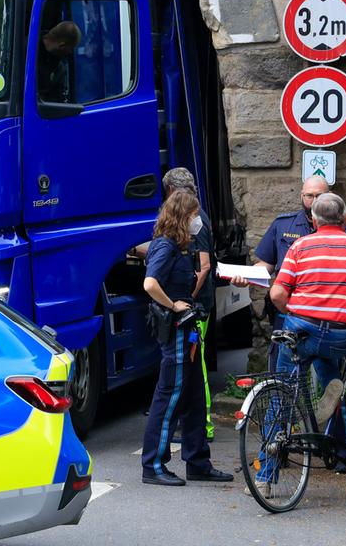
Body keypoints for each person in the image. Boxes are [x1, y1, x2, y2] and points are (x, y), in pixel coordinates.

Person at [265, 192, 346, 483]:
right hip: (342, 335)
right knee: (330, 361)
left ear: (315, 220)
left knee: (281, 391)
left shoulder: (301, 245)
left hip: (302, 328)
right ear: (345, 219)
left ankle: (265, 476)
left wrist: (292, 311)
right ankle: (330, 403)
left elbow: (278, 294)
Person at [139, 189, 233, 487]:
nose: (197, 221)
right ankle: (153, 465)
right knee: (169, 397)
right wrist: (174, 304)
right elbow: (150, 283)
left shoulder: (180, 246)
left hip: (187, 329)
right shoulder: (165, 246)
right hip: (177, 330)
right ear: (183, 217)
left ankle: (198, 462)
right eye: (193, 216)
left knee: (192, 396)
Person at [128, 168, 215, 439]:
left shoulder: (194, 222)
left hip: (190, 311)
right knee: (184, 378)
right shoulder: (170, 243)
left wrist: (183, 301)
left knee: (190, 374)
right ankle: (194, 434)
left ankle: (202, 427)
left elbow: (203, 266)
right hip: (188, 309)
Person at [250, 174, 346, 369]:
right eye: (309, 196)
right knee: (284, 372)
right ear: (301, 196)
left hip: (326, 313)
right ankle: (286, 398)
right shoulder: (283, 224)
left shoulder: (345, 229)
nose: (314, 201)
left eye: (319, 196)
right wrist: (246, 276)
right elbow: (266, 264)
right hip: (287, 308)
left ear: (330, 195)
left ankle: (330, 397)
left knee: (328, 368)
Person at [36, 21, 81, 103]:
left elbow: (58, 100)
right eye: (71, 48)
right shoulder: (26, 51)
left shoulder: (59, 69)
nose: (70, 52)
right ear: (62, 46)